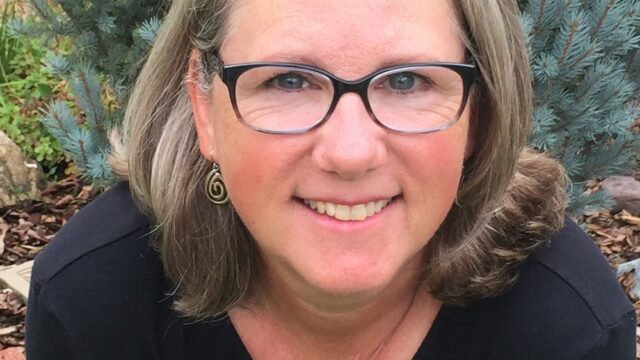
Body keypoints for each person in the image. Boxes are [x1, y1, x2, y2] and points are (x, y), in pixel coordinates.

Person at [25, 0, 635, 359]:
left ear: (479, 113)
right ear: (205, 107)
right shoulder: (96, 306)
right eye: (287, 80)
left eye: (407, 81)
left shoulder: (564, 328)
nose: (349, 153)